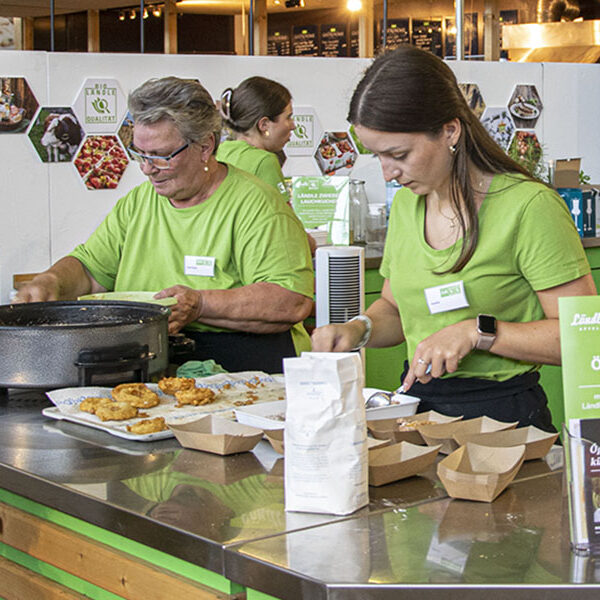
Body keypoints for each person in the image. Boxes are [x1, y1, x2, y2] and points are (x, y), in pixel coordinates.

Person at [311, 46, 596, 431]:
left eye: (398, 154)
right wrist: (357, 329)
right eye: (377, 156)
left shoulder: (529, 207)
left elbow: (582, 336)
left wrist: (479, 332)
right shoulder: (409, 206)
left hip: (505, 419)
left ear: (450, 130)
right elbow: (395, 309)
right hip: (417, 411)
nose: (388, 173)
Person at [15, 76, 314, 374]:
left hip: (245, 371)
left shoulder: (257, 206)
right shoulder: (138, 204)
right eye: (140, 154)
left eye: (161, 155)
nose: (147, 168)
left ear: (205, 146)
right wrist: (51, 281)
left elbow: (290, 301)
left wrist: (200, 304)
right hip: (151, 362)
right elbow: (91, 271)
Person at [217, 76, 317, 253]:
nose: (293, 126)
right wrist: (312, 245)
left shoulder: (221, 152)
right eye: (288, 118)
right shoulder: (264, 161)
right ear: (264, 124)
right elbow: (288, 227)